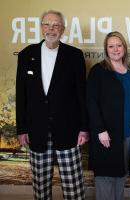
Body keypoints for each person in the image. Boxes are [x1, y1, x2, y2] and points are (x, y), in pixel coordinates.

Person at [16, 10, 88, 200]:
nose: (51, 29)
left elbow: (81, 94)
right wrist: (21, 128)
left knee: (73, 188)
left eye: (56, 25)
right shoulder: (26, 55)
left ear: (63, 29)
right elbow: (21, 95)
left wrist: (84, 128)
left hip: (68, 130)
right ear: (41, 27)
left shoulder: (74, 55)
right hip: (36, 131)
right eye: (47, 24)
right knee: (41, 188)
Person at [86, 31, 130, 200]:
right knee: (105, 176)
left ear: (124, 48)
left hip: (127, 134)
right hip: (106, 134)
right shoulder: (98, 71)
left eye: (119, 45)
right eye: (111, 46)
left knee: (121, 174)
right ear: (106, 49)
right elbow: (91, 103)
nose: (115, 49)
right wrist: (100, 130)